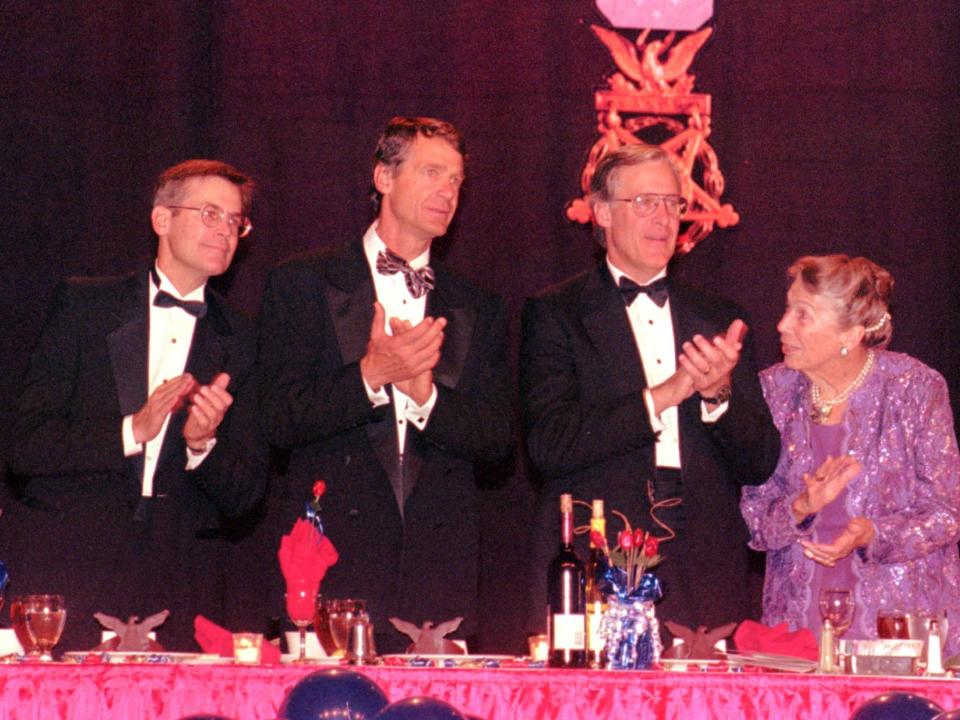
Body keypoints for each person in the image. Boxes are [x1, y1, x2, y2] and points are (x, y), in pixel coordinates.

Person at [258, 116, 513, 652]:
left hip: (437, 588)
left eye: (456, 181)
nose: (447, 191)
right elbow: (276, 420)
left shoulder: (478, 305)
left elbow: (498, 443)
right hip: (329, 575)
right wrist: (370, 376)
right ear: (383, 178)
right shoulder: (304, 281)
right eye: (432, 172)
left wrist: (426, 397)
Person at [3, 159, 267, 651]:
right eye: (210, 213)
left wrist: (202, 446)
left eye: (236, 222)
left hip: (182, 584)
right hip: (75, 568)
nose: (226, 231)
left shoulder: (244, 337)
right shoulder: (84, 306)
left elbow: (249, 494)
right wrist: (132, 429)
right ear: (161, 219)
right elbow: (25, 445)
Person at [520, 144, 780, 637]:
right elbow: (549, 445)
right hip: (602, 548)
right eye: (644, 203)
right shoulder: (557, 311)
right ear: (601, 213)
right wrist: (665, 394)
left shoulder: (719, 316)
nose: (663, 218)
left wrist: (718, 394)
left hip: (706, 556)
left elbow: (761, 461)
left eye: (673, 203)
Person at [740, 255, 960, 653]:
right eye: (788, 308)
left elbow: (947, 512)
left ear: (851, 334)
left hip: (897, 630)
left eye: (802, 315)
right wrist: (800, 506)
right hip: (796, 627)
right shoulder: (770, 392)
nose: (782, 325)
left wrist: (875, 534)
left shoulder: (915, 389)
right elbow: (753, 519)